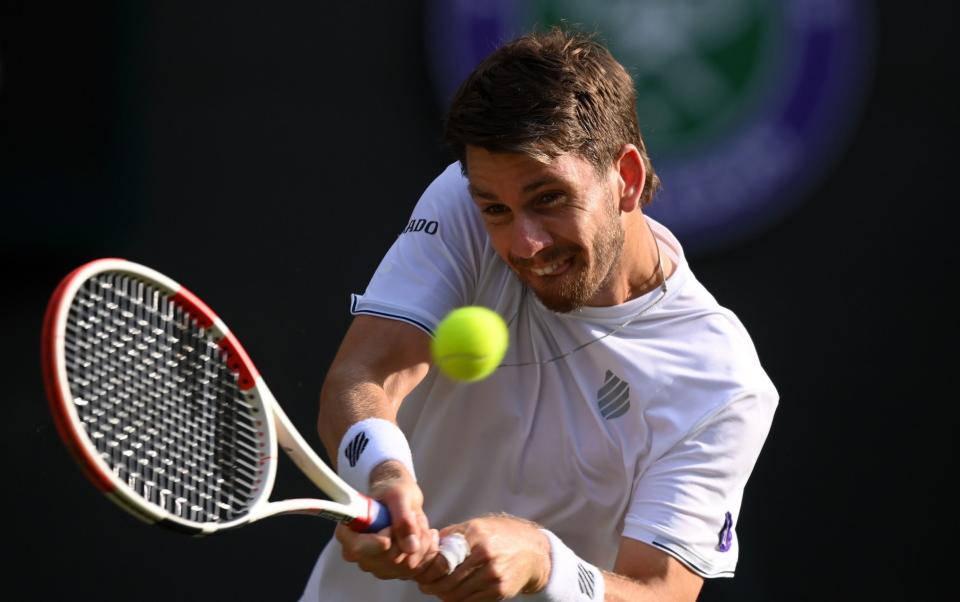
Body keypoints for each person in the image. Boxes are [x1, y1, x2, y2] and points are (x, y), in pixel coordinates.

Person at [300, 27, 777, 602]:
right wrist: (383, 475)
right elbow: (365, 371)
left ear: (625, 177)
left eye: (549, 198)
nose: (524, 243)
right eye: (496, 209)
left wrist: (546, 563)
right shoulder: (462, 201)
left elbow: (662, 591)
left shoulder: (721, 382)